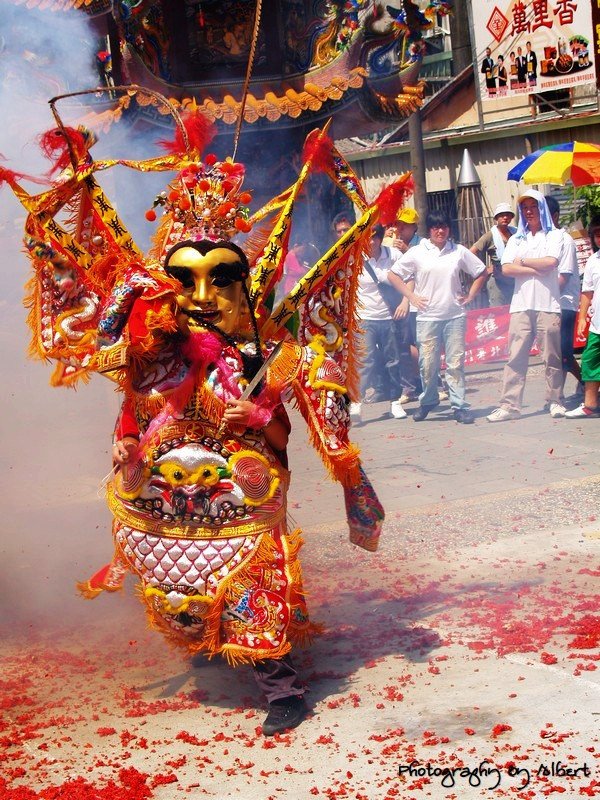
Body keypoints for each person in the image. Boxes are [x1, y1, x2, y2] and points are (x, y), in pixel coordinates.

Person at [5, 110, 386, 739]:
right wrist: (127, 445)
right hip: (171, 496)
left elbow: (284, 443)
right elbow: (131, 416)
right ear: (165, 288)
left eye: (221, 280)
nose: (203, 296)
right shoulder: (153, 356)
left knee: (252, 580)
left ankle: (282, 688)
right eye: (184, 281)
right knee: (182, 579)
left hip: (240, 498)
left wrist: (257, 413)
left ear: (244, 288)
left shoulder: (259, 356)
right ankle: (212, 642)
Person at [388, 211, 487, 424]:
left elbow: (481, 271)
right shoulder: (417, 252)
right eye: (435, 227)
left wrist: (470, 295)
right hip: (427, 317)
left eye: (443, 226)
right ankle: (428, 400)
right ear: (429, 230)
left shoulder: (458, 251)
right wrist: (411, 297)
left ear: (448, 229)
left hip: (455, 316)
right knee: (427, 364)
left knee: (455, 363)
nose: (440, 231)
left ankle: (459, 405)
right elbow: (393, 275)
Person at [487, 190, 567, 422]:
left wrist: (522, 262)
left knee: (551, 356)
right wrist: (536, 267)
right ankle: (510, 405)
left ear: (541, 208)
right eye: (525, 208)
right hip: (521, 305)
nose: (529, 211)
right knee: (515, 357)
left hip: (548, 304)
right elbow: (507, 268)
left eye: (533, 206)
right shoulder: (516, 239)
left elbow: (551, 262)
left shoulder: (555, 236)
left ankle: (555, 400)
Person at [334, 215, 407, 422]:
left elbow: (409, 277)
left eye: (376, 237)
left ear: (382, 238)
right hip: (364, 317)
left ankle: (395, 401)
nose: (372, 241)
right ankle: (357, 402)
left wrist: (405, 302)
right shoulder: (354, 257)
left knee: (392, 360)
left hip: (388, 316)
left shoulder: (393, 255)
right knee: (365, 361)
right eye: (368, 237)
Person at [544, 195, 584, 401]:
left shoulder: (565, 239)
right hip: (550, 304)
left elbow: (564, 276)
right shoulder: (543, 240)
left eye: (544, 213)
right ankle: (560, 393)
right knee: (556, 353)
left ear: (555, 216)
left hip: (565, 303)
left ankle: (587, 383)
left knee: (564, 352)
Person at [565, 215, 600, 418]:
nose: (599, 238)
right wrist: (581, 319)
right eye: (596, 234)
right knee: (589, 362)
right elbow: (587, 293)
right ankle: (590, 405)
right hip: (597, 326)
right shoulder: (593, 261)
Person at [470, 202, 516, 307]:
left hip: (515, 278)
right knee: (498, 313)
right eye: (501, 215)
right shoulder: (490, 235)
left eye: (508, 214)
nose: (505, 217)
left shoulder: (516, 234)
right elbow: (470, 252)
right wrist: (484, 270)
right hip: (497, 280)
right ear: (496, 218)